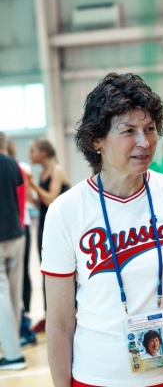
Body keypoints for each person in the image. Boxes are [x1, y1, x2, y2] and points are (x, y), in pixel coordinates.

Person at [41, 72, 163, 387]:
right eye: (128, 131)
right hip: (100, 376)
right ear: (97, 140)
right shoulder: (64, 212)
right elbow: (59, 324)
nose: (144, 142)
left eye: (149, 129)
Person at [27, 137, 70, 334]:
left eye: (33, 151)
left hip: (60, 227)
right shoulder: (42, 173)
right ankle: (49, 313)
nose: (30, 155)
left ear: (43, 152)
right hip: (44, 225)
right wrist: (29, 189)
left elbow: (51, 199)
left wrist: (33, 185)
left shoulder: (57, 170)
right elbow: (39, 204)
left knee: (61, 270)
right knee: (46, 270)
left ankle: (67, 313)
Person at [6, 139, 37, 347]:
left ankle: (23, 320)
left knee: (21, 277)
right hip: (13, 228)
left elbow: (27, 198)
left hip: (19, 226)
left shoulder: (20, 167)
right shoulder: (14, 166)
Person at [0, 132, 27, 370]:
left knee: (2, 296)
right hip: (16, 234)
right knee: (13, 295)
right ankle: (13, 344)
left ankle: (13, 354)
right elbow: (20, 198)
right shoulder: (12, 164)